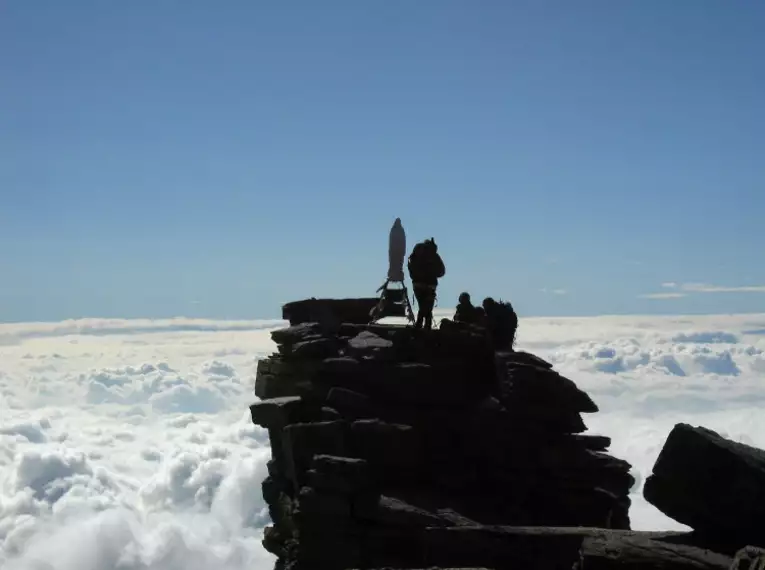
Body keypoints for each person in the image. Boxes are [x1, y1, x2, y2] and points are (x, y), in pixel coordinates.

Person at [407, 238, 445, 329]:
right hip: (431, 285)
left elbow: (410, 266)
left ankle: (420, 324)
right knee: (427, 305)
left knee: (423, 305)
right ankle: (426, 325)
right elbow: (441, 271)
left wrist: (416, 277)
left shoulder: (416, 252)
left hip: (418, 284)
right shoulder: (434, 255)